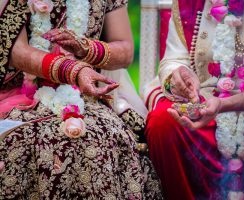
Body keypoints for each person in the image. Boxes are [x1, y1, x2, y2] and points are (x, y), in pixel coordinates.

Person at [0, 0, 162, 199]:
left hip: (86, 96)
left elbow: (125, 50)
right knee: (35, 139)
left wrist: (86, 48)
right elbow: (17, 52)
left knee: (104, 136)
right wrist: (73, 70)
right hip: (21, 94)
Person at [145, 0, 244, 199]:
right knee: (164, 123)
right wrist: (179, 75)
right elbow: (174, 59)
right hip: (207, 99)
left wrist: (224, 105)